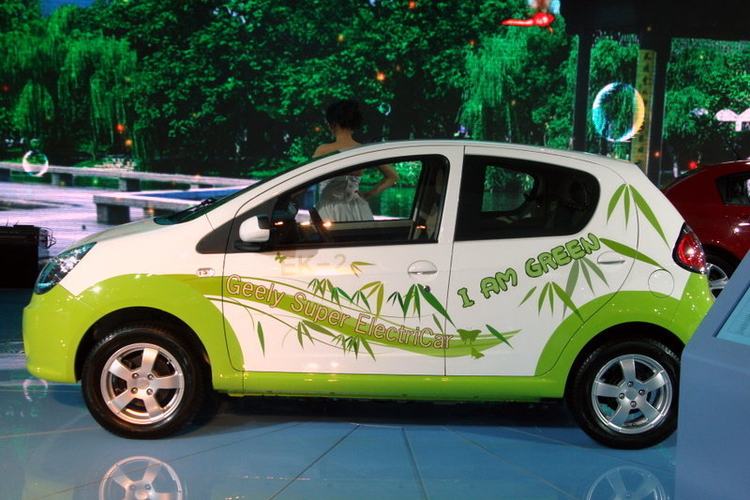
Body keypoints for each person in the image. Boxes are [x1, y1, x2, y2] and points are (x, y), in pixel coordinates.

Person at [313, 100, 398, 221]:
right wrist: (367, 195)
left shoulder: (323, 150)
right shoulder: (364, 150)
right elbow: (392, 176)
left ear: (333, 124)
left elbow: (304, 180)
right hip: (358, 210)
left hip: (329, 210)